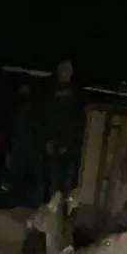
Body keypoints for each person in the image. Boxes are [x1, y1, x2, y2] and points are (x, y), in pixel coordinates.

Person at [37, 59, 87, 199]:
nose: (64, 73)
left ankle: (63, 214)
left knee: (67, 184)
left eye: (67, 70)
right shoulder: (49, 93)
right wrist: (47, 140)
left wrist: (70, 143)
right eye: (62, 70)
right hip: (54, 143)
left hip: (70, 146)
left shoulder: (78, 94)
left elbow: (79, 122)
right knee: (52, 183)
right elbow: (43, 119)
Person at [5, 83, 44, 208]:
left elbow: (39, 131)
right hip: (19, 152)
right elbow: (9, 132)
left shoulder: (34, 108)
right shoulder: (15, 109)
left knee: (29, 186)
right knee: (18, 185)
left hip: (29, 153)